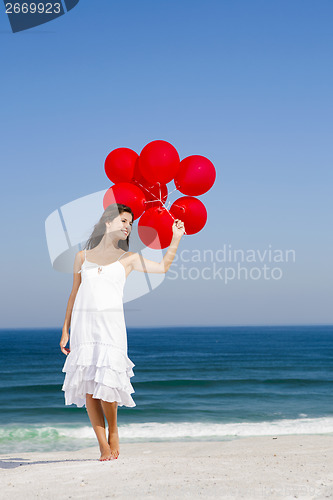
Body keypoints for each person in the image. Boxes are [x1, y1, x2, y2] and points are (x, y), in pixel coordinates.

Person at [60, 202, 185, 461]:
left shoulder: (128, 258)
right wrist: (65, 329)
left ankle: (113, 430)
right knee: (89, 387)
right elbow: (74, 293)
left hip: (111, 328)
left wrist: (176, 238)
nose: (128, 226)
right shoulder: (82, 257)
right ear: (108, 222)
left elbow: (162, 268)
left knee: (107, 381)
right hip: (84, 327)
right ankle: (102, 445)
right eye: (123, 221)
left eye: (130, 223)